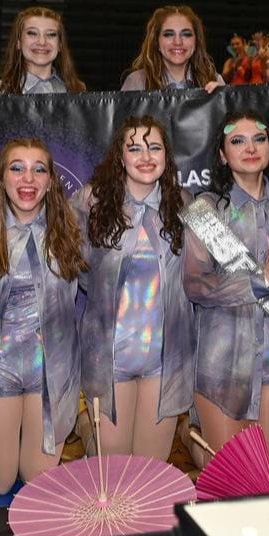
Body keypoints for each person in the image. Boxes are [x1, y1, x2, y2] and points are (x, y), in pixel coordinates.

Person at [183, 110, 269, 469]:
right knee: (230, 476)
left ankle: (193, 438)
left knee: (264, 474)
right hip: (223, 365)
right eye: (237, 141)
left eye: (259, 139)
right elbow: (196, 284)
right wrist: (259, 281)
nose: (250, 148)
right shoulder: (205, 210)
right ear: (222, 155)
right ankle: (191, 435)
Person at [0, 139, 87, 493]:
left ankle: (80, 427)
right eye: (17, 168)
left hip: (49, 371)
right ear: (0, 177)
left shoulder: (70, 224)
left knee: (37, 483)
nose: (28, 178)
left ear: (51, 181)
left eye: (39, 169)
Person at [73, 117, 193, 460]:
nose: (146, 156)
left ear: (167, 156)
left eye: (154, 147)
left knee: (149, 470)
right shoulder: (90, 201)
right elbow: (75, 266)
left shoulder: (186, 204)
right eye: (135, 148)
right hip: (110, 358)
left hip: (164, 360)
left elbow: (212, 269)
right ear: (120, 156)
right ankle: (85, 426)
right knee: (113, 467)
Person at [121, 6, 223, 91]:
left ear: (196, 41)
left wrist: (223, 100)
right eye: (169, 34)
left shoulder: (214, 80)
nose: (178, 42)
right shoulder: (137, 81)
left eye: (186, 34)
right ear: (156, 42)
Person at [0, 7, 87, 94]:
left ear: (60, 45)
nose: (42, 42)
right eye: (32, 33)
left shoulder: (77, 90)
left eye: (51, 34)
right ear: (18, 42)